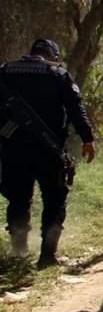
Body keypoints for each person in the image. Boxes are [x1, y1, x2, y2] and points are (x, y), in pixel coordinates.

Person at [0, 39, 96, 268]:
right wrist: (87, 139)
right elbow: (76, 108)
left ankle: (19, 252)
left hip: (13, 150)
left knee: (18, 199)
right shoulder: (58, 74)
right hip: (48, 151)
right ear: (53, 56)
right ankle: (47, 256)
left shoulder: (4, 72)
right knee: (54, 200)